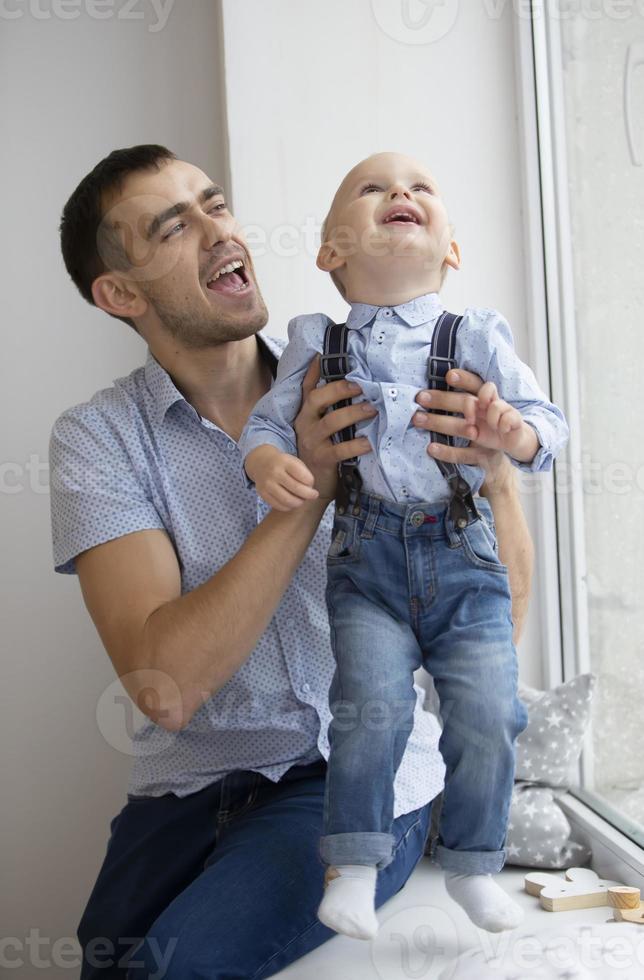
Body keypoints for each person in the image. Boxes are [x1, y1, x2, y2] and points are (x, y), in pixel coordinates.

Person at [51, 145, 534, 979]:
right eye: (174, 226)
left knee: (173, 973)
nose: (218, 232)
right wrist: (310, 481)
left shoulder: (378, 381)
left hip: (348, 776)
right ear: (120, 293)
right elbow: (166, 687)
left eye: (215, 204)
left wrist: (495, 476)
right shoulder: (96, 440)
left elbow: (499, 622)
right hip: (187, 789)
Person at [240, 152, 569, 941]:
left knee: (489, 712)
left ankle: (473, 863)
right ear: (331, 253)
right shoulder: (316, 342)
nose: (402, 193)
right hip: (368, 561)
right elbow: (263, 425)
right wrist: (265, 459)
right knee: (369, 709)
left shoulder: (477, 335)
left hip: (465, 559)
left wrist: (512, 432)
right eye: (374, 187)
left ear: (451, 249)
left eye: (423, 188)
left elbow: (545, 425)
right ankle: (353, 864)